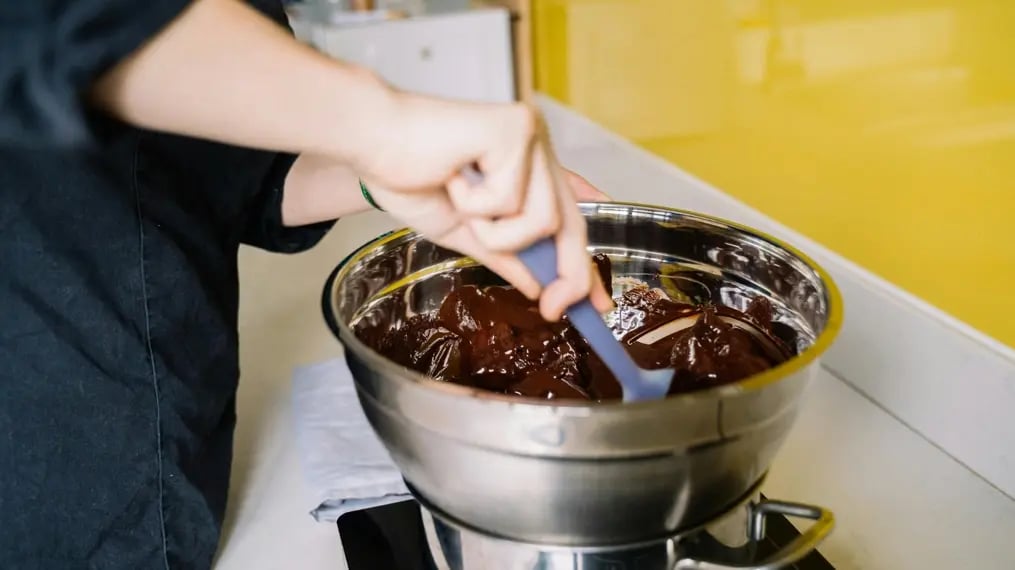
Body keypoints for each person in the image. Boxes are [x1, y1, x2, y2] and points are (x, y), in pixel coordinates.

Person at [0, 0, 613, 568]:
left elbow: (235, 180)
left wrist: (385, 176)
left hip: (177, 464)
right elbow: (59, 27)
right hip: (43, 480)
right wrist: (383, 124)